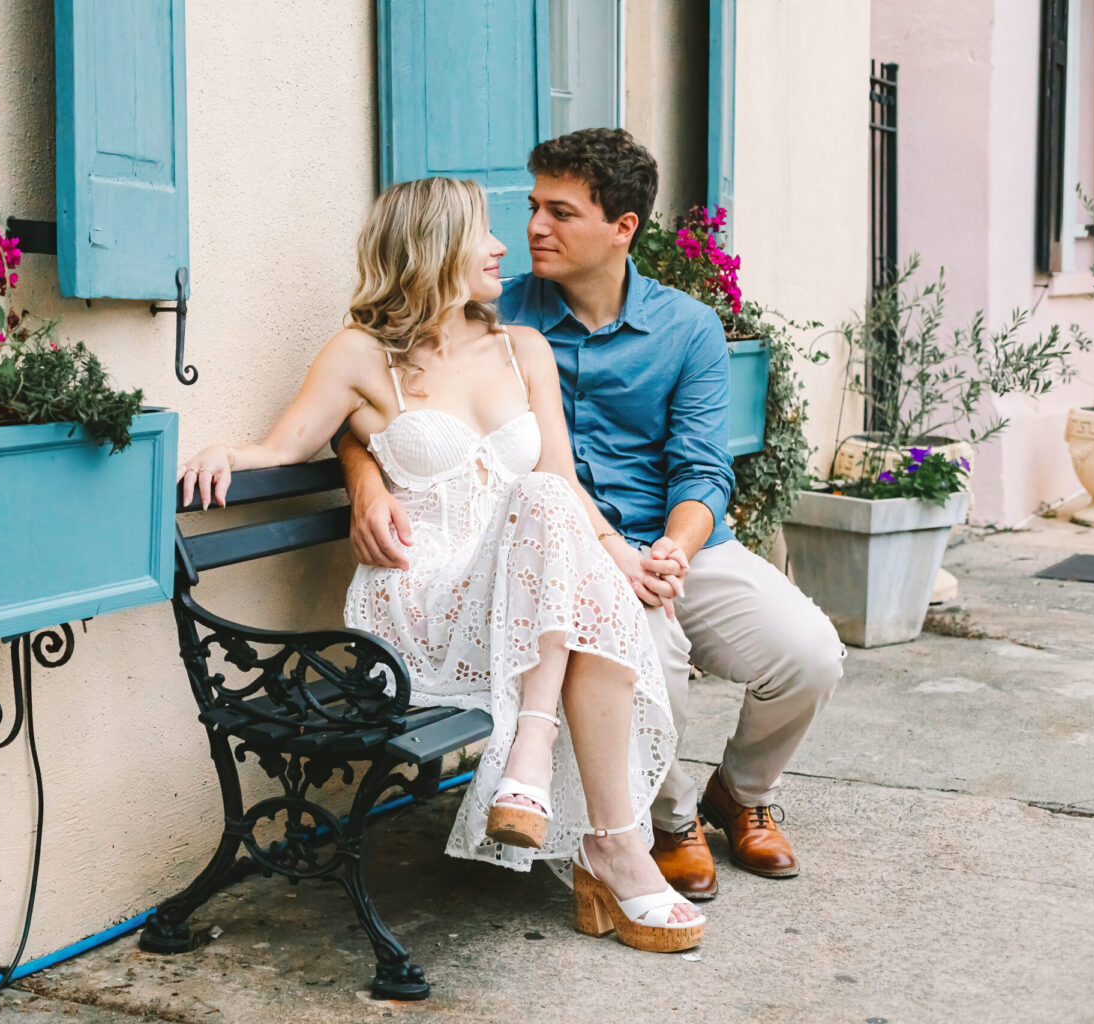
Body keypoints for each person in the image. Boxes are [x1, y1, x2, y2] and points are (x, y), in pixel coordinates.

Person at [179, 176, 703, 952]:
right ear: (432, 248)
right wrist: (229, 451)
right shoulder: (361, 355)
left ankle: (604, 837)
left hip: (526, 597)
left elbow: (558, 478)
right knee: (565, 559)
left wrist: (622, 558)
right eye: (482, 231)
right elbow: (283, 448)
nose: (504, 245)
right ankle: (589, 820)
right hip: (423, 605)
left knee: (563, 537)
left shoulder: (523, 348)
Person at [339, 129, 845, 902]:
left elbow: (704, 469)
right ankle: (669, 822)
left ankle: (739, 795)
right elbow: (369, 393)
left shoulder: (686, 328)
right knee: (646, 660)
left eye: (560, 212)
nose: (534, 228)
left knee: (809, 652)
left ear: (622, 229)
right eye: (533, 206)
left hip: (677, 545)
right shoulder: (488, 311)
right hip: (553, 561)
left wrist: (674, 551)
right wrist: (366, 486)